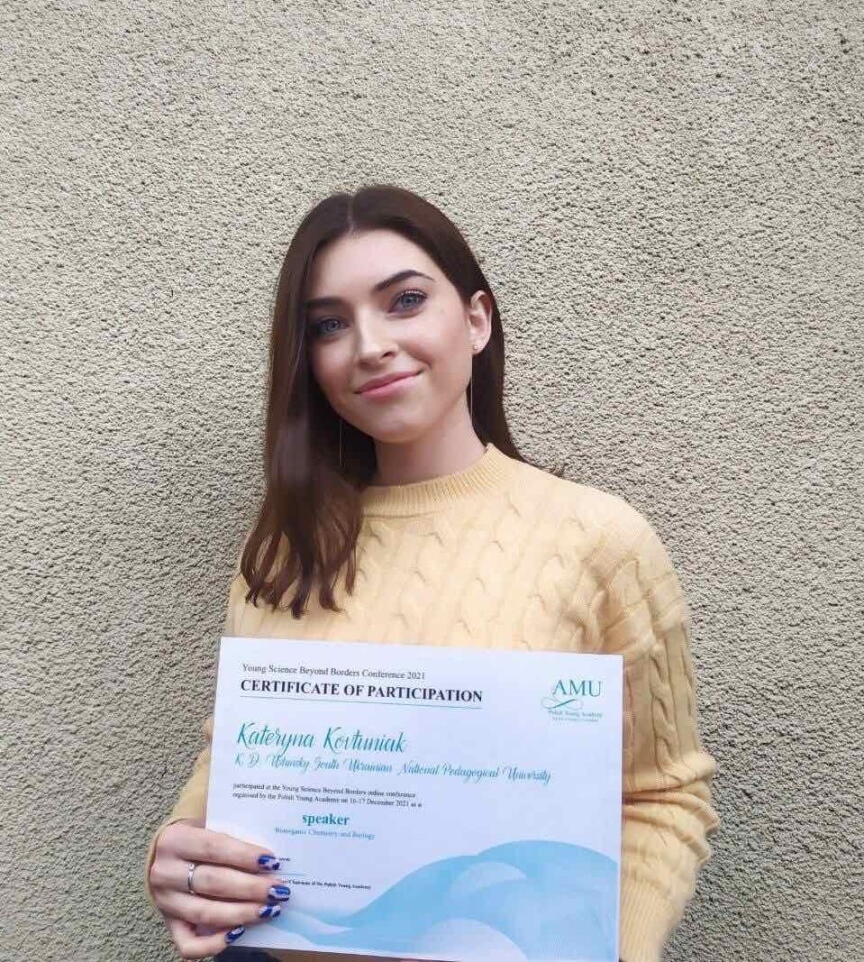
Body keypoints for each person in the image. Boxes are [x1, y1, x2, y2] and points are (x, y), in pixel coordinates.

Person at [144, 184, 720, 962]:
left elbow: (664, 794)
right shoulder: (282, 550)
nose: (370, 345)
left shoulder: (599, 541)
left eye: (405, 301)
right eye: (329, 324)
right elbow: (235, 756)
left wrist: (614, 950)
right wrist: (183, 850)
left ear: (477, 320)